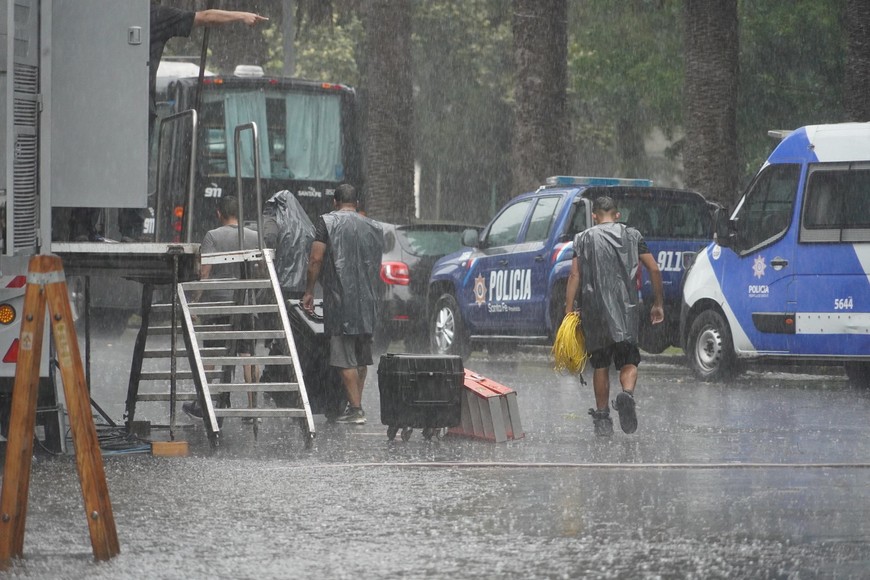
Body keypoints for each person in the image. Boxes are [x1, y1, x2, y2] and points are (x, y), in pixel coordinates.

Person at [115, 4, 269, 240]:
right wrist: (241, 16)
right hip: (136, 107)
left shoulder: (119, 16)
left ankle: (85, 224)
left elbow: (205, 17)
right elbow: (206, 17)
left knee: (115, 164)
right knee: (136, 167)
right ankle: (129, 229)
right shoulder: (153, 16)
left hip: (110, 105)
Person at [564, 195, 664, 437]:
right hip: (626, 310)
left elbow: (575, 275)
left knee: (600, 364)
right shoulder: (632, 235)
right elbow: (653, 268)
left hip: (595, 311)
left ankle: (602, 418)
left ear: (594, 216)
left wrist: (568, 311)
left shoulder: (583, 238)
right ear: (617, 215)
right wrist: (658, 303)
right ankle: (626, 394)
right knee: (629, 360)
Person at [302, 183, 384, 425]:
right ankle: (354, 405)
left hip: (340, 300)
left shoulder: (326, 222)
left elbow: (316, 258)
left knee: (343, 356)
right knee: (361, 356)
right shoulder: (374, 226)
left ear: (334, 202)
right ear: (356, 203)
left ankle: (356, 409)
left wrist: (309, 291)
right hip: (367, 300)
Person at [183, 195, 261, 421]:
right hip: (245, 302)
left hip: (218, 303)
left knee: (212, 354)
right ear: (240, 213)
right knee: (248, 353)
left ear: (219, 213)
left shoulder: (212, 236)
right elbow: (260, 270)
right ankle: (252, 409)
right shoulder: (254, 237)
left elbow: (204, 272)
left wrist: (196, 300)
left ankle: (204, 403)